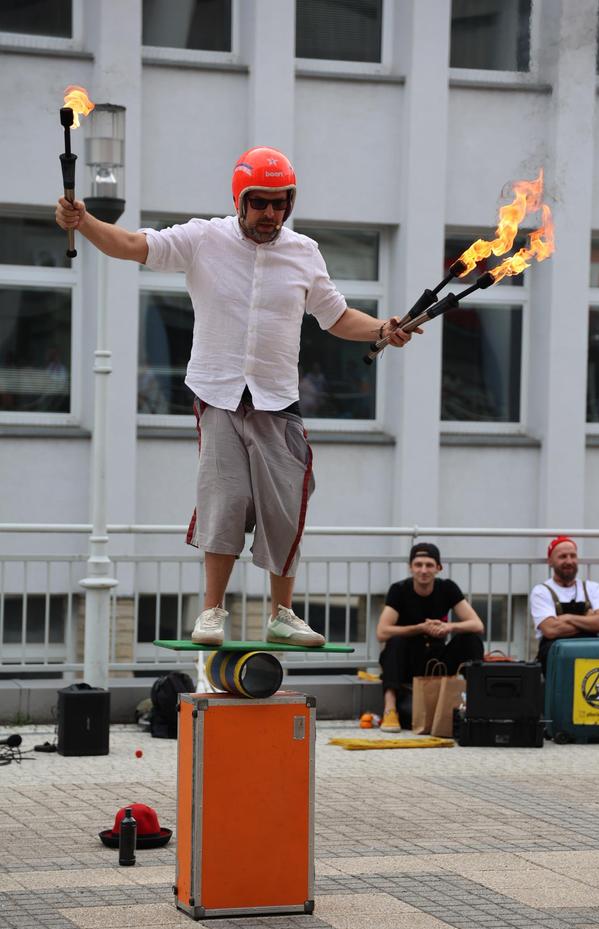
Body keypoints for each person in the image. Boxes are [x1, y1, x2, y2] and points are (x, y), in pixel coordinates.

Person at [55, 146, 417, 647]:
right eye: (261, 203)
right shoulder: (203, 238)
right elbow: (132, 245)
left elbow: (334, 316)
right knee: (225, 500)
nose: (271, 214)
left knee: (286, 503)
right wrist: (85, 221)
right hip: (218, 394)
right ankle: (211, 612)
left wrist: (384, 327)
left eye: (280, 203)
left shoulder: (304, 252)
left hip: (277, 399)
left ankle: (282, 614)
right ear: (241, 200)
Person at [376, 542, 485, 732]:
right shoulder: (399, 589)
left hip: (438, 660)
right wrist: (420, 628)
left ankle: (475, 704)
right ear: (410, 567)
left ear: (438, 568)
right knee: (394, 641)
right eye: (418, 565)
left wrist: (448, 627)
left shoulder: (448, 588)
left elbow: (477, 625)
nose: (423, 570)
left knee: (471, 639)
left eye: (429, 565)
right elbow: (382, 632)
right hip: (408, 660)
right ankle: (390, 710)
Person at [529, 536, 599, 673]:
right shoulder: (541, 591)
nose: (569, 561)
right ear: (550, 561)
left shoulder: (593, 588)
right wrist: (589, 622)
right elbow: (550, 630)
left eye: (573, 556)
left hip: (591, 656)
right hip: (556, 657)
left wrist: (567, 618)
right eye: (562, 557)